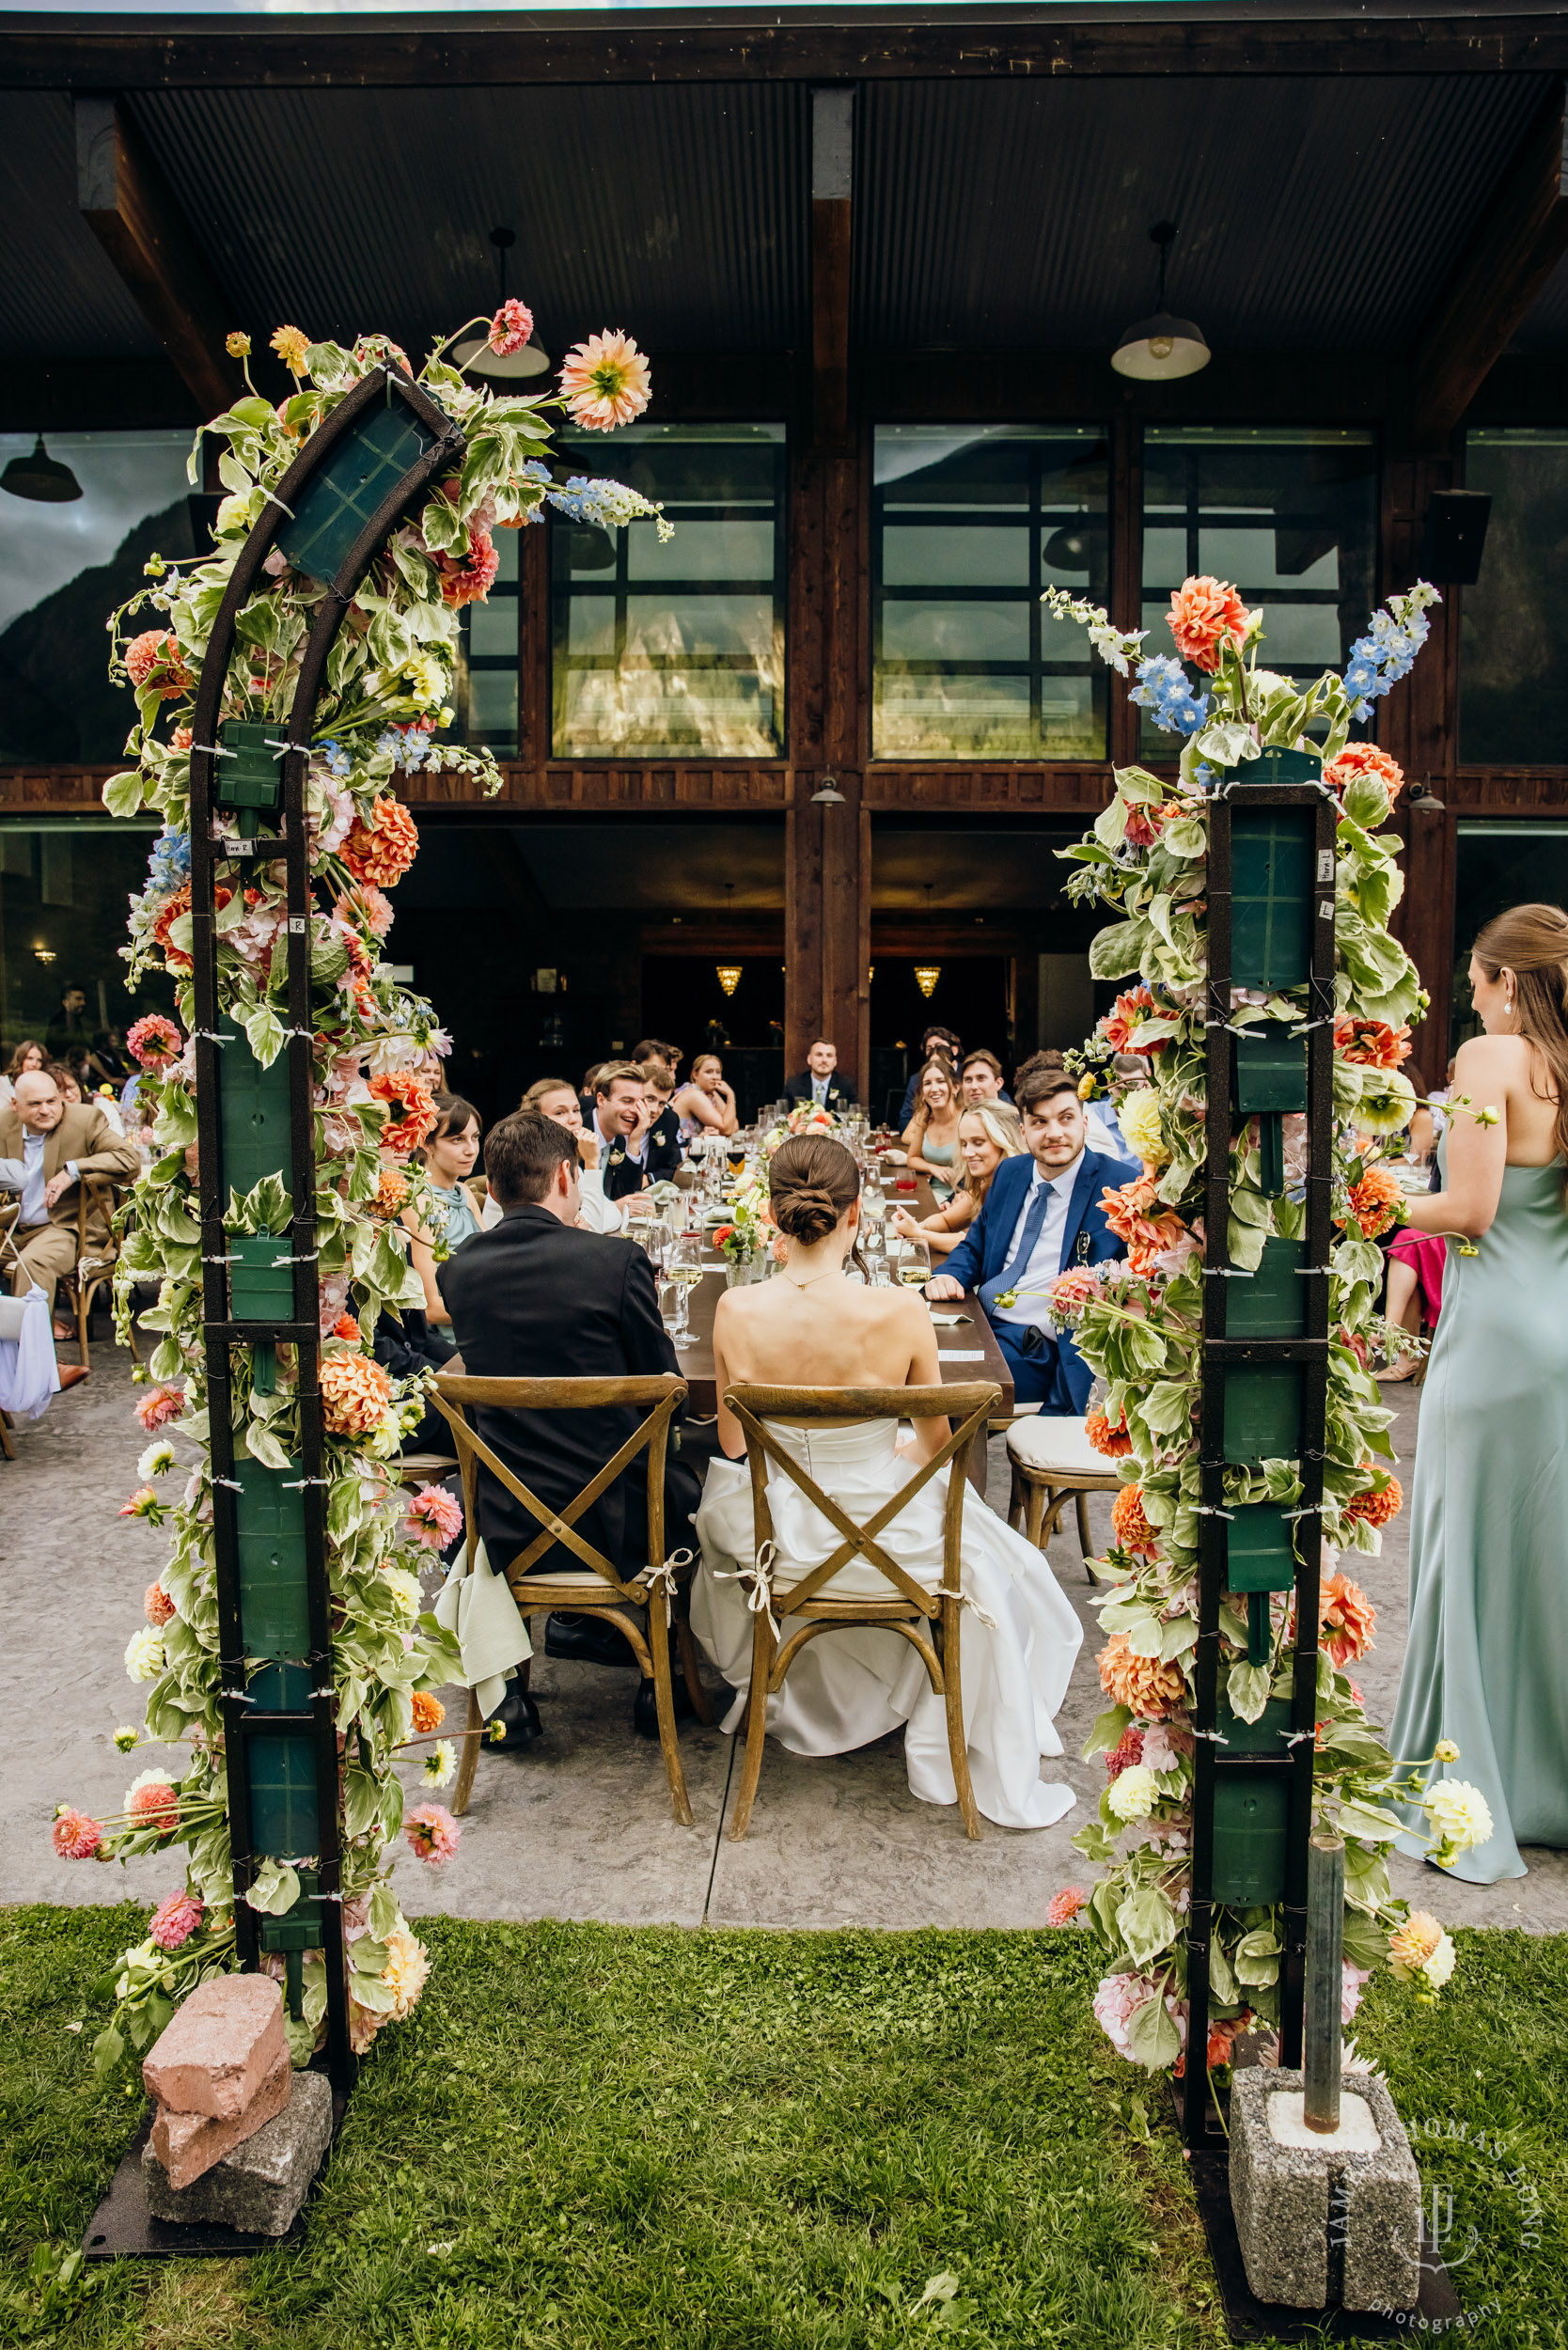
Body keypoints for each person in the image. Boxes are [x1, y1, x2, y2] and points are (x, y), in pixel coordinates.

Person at [689, 1135, 1082, 1829]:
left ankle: (811, 1690)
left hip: (781, 1538)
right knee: (1000, 1564)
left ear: (773, 1216)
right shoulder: (899, 1310)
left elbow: (731, 1442)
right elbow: (937, 1447)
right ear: (856, 1214)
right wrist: (892, 1446)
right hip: (887, 1539)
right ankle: (932, 1707)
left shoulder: (735, 1309)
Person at [1388, 903, 1568, 1885]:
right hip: (1560, 1339)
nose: (1467, 991)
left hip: (1495, 1344)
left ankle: (1469, 1788)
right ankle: (1547, 1782)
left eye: (1474, 975)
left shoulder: (1489, 1061)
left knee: (1468, 1556)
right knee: (1547, 1561)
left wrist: (1360, 1198)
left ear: (1506, 980)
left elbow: (1469, 1208)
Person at [438, 1111, 704, 1747]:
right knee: (692, 1488)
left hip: (505, 1525)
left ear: (495, 1189)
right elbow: (662, 1390)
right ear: (566, 1175)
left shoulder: (461, 1270)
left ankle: (514, 1689)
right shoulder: (614, 1262)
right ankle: (657, 1670)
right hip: (624, 1525)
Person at [926, 1069, 1138, 1412]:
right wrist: (949, 1274)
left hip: (1043, 1347)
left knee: (938, 1383)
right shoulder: (1013, 1172)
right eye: (1040, 1122)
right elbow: (977, 1243)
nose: (1054, 1133)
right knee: (901, 1352)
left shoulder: (1121, 1186)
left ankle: (937, 1464)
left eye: (1065, 1118)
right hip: (984, 1322)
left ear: (1085, 1122)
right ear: (1024, 1131)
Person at [0, 1067, 139, 1381]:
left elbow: (128, 1160)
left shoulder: (84, 1119)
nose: (46, 1109)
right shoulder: (3, 1125)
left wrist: (73, 1170)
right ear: (15, 1105)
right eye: (35, 1104)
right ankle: (8, 1357)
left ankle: (34, 1367)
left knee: (33, 1264)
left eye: (52, 1100)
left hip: (64, 1229)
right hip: (11, 1230)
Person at [891, 1103, 1026, 1258]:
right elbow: (947, 1221)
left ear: (1004, 1140)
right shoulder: (986, 1184)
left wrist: (919, 1235)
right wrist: (918, 1226)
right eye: (963, 1144)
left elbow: (977, 1245)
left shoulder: (1017, 1189)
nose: (967, 1153)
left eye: (978, 1143)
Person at [402, 1094, 484, 1327]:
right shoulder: (417, 1200)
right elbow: (431, 1307)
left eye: (475, 1137)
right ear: (427, 1144)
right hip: (448, 1340)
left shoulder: (463, 1192)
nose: (471, 1149)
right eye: (457, 1139)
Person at [589, 1061, 664, 1203]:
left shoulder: (620, 1139)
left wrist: (634, 1140)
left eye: (640, 1101)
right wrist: (614, 1209)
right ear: (601, 1100)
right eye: (627, 1101)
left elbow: (628, 1196)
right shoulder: (576, 1133)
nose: (636, 1110)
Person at [902, 1058, 964, 1196]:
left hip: (960, 1199)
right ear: (922, 1093)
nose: (934, 1089)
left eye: (941, 1081)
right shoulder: (925, 1120)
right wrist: (933, 1168)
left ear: (955, 1087)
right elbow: (912, 1159)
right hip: (930, 1195)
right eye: (927, 1083)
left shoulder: (966, 1120)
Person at [899, 1026, 962, 1127]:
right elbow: (904, 1121)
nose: (934, 1051)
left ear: (954, 1050)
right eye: (929, 1048)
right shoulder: (916, 1080)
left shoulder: (968, 1075)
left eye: (939, 1046)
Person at [673, 1050, 739, 1141]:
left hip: (697, 1150)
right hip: (684, 1151)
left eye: (718, 1072)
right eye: (709, 1072)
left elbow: (734, 1127)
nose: (715, 1077)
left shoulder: (710, 1093)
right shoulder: (693, 1093)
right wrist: (730, 1096)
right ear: (695, 1074)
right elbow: (726, 1129)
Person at [635, 1061, 684, 1180]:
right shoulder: (618, 1121)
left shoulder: (668, 1121)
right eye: (650, 1098)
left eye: (662, 1103)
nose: (654, 1110)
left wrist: (648, 1179)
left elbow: (672, 1167)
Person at [784, 1038, 857, 1113]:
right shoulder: (794, 1085)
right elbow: (784, 1116)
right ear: (809, 1059)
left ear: (835, 1061)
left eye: (829, 1056)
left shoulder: (846, 1085)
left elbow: (854, 1117)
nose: (824, 1060)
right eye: (819, 1055)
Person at [0, 1039, 45, 1113]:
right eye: (30, 1058)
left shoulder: (43, 1084)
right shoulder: (4, 1082)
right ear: (20, 1059)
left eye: (39, 1060)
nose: (34, 1064)